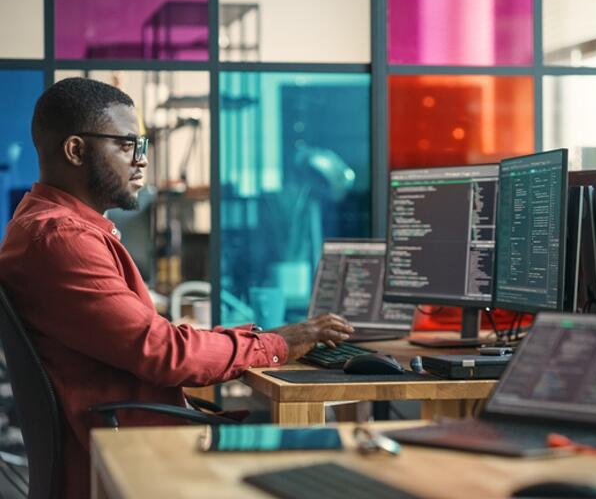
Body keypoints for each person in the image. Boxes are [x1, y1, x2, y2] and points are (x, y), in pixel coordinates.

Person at [0, 77, 354, 498]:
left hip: (126, 441)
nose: (142, 161)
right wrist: (276, 343)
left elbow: (156, 344)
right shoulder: (62, 239)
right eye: (127, 144)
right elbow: (165, 353)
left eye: (142, 145)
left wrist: (260, 339)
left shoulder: (48, 227)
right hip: (127, 459)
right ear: (76, 150)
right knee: (332, 457)